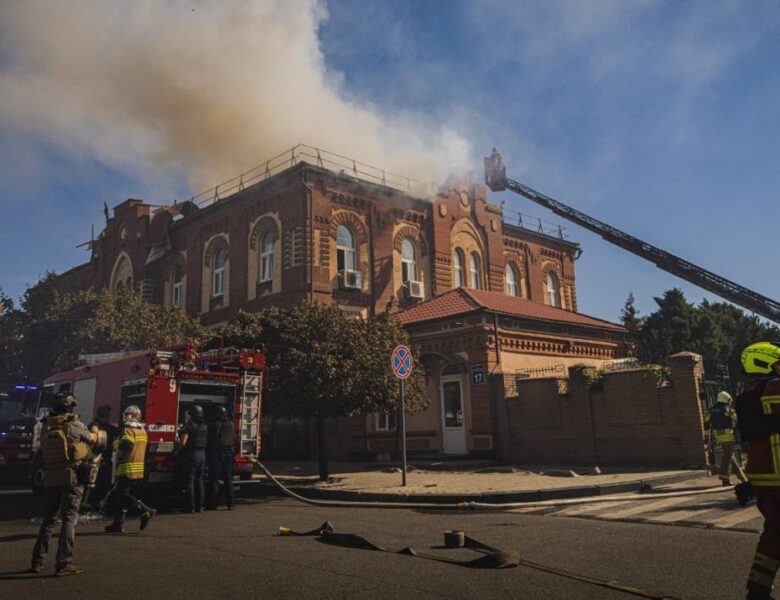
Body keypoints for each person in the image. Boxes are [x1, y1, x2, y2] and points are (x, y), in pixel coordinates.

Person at [29, 393, 99, 576]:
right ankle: (64, 562)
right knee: (69, 519)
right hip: (71, 479)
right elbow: (93, 440)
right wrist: (97, 432)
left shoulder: (45, 426)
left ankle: (37, 561)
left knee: (48, 521)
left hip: (50, 478)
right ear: (70, 407)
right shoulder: (75, 425)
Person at [735, 342, 780, 599]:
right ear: (765, 363)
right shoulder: (774, 388)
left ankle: (758, 590)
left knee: (774, 533)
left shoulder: (745, 397)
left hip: (763, 479)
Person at [104, 405, 155, 533]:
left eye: (126, 414)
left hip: (126, 467)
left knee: (122, 494)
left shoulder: (128, 430)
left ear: (129, 416)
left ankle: (145, 511)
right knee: (119, 496)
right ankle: (118, 524)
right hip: (137, 468)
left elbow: (126, 446)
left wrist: (117, 454)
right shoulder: (142, 431)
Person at [709, 391, 748, 486]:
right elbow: (735, 418)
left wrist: (707, 438)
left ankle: (742, 479)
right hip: (728, 436)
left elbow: (707, 422)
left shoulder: (712, 410)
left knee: (731, 457)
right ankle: (723, 476)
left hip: (718, 436)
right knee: (728, 456)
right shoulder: (726, 409)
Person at [178, 404, 208, 513]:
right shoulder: (204, 425)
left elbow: (182, 443)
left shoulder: (189, 426)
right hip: (202, 455)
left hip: (191, 454)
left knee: (189, 481)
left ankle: (189, 507)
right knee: (199, 480)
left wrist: (176, 451)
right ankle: (199, 506)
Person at [88, 404, 119, 506]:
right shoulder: (99, 426)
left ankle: (91, 503)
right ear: (106, 415)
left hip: (97, 460)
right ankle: (93, 504)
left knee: (93, 483)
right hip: (100, 460)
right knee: (99, 484)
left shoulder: (94, 425)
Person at [206, 406, 235, 510]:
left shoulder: (215, 425)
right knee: (228, 479)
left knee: (214, 479)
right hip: (228, 454)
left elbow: (211, 440)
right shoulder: (230, 424)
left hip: (217, 454)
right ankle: (230, 504)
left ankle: (213, 504)